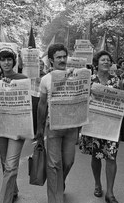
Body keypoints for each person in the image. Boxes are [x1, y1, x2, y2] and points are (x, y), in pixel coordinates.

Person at [36, 43, 78, 203]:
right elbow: (41, 105)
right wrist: (39, 129)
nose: (62, 60)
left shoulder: (75, 75)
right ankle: (55, 198)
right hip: (52, 127)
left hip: (71, 128)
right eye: (58, 57)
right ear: (51, 61)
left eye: (64, 56)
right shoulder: (46, 79)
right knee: (53, 165)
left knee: (68, 162)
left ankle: (60, 183)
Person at [79, 50, 123, 203]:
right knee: (95, 155)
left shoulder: (117, 80)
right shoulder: (89, 80)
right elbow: (82, 100)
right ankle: (97, 183)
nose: (106, 62)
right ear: (96, 63)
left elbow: (122, 99)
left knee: (111, 157)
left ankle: (110, 193)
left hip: (112, 125)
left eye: (108, 60)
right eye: (103, 60)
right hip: (93, 124)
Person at [0, 48, 28, 203]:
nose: (6, 62)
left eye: (9, 59)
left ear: (14, 61)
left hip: (18, 127)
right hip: (0, 127)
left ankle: (4, 200)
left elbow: (29, 104)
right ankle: (13, 190)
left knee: (11, 165)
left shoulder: (22, 78)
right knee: (4, 161)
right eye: (2, 60)